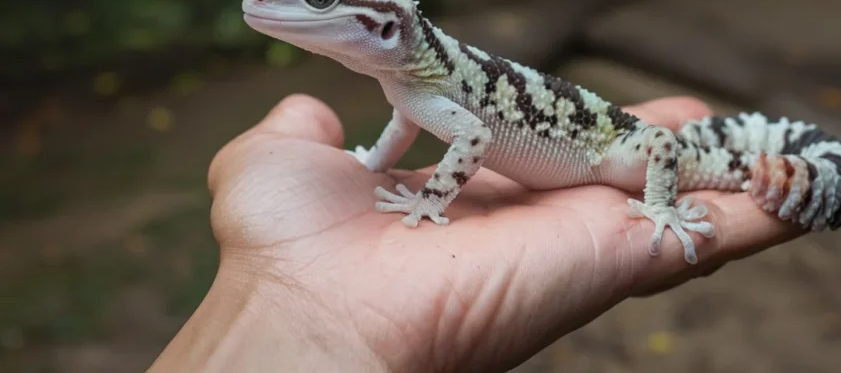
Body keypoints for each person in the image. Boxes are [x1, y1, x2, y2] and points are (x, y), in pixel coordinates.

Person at [149, 94, 802, 372]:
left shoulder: (432, 78)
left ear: (384, 25)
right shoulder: (407, 85)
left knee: (665, 142)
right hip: (594, 154)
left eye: (320, 0)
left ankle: (817, 174)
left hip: (612, 149)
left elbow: (472, 133)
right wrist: (376, 162)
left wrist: (432, 197)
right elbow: (407, 119)